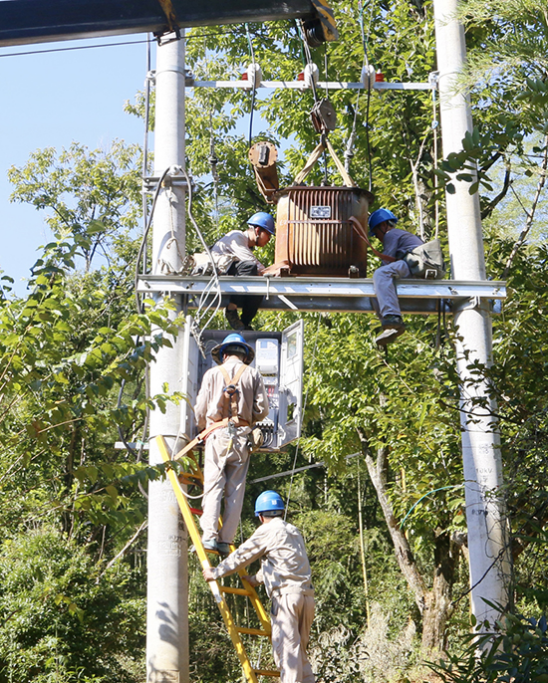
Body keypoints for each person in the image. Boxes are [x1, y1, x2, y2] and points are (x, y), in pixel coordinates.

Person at [203, 491, 316, 683]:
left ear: (261, 516)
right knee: (299, 655)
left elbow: (242, 556)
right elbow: (285, 562)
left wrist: (216, 572)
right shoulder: (293, 531)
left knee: (288, 656)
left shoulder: (267, 531)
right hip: (306, 597)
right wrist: (256, 579)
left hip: (286, 599)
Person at [195, 333, 269, 555]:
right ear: (244, 355)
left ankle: (209, 536)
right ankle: (226, 541)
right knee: (235, 491)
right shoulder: (253, 374)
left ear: (224, 354)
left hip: (217, 435)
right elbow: (262, 409)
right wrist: (249, 419)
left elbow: (200, 410)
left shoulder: (212, 374)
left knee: (213, 486)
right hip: (242, 437)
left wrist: (201, 429)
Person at [211, 212, 276, 331]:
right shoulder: (237, 237)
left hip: (234, 270)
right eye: (268, 234)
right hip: (220, 271)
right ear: (257, 230)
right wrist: (274, 270)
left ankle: (244, 323)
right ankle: (231, 309)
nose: (269, 239)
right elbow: (252, 263)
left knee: (260, 287)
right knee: (250, 267)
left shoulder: (245, 244)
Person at [369, 208, 424, 346]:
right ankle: (389, 326)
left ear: (383, 226)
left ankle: (392, 318)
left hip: (415, 263)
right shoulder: (400, 235)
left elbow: (386, 263)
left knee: (381, 274)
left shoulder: (391, 234)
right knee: (377, 289)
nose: (378, 238)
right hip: (414, 267)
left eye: (376, 234)